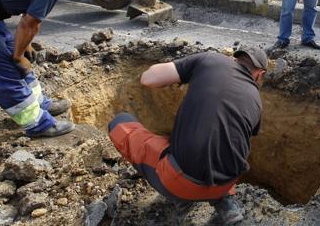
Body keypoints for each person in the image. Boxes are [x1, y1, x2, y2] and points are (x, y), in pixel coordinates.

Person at [108, 47, 267, 226]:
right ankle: (225, 202)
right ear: (259, 74)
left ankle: (182, 199)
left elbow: (148, 78)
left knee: (120, 124)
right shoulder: (256, 101)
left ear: (234, 59)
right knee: (222, 141)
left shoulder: (210, 59)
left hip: (179, 183)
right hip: (226, 182)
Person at [0, 0, 105, 138]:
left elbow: (27, 12)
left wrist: (24, 45)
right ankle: (39, 125)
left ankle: (41, 104)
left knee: (13, 54)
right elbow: (29, 23)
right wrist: (18, 55)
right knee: (4, 68)